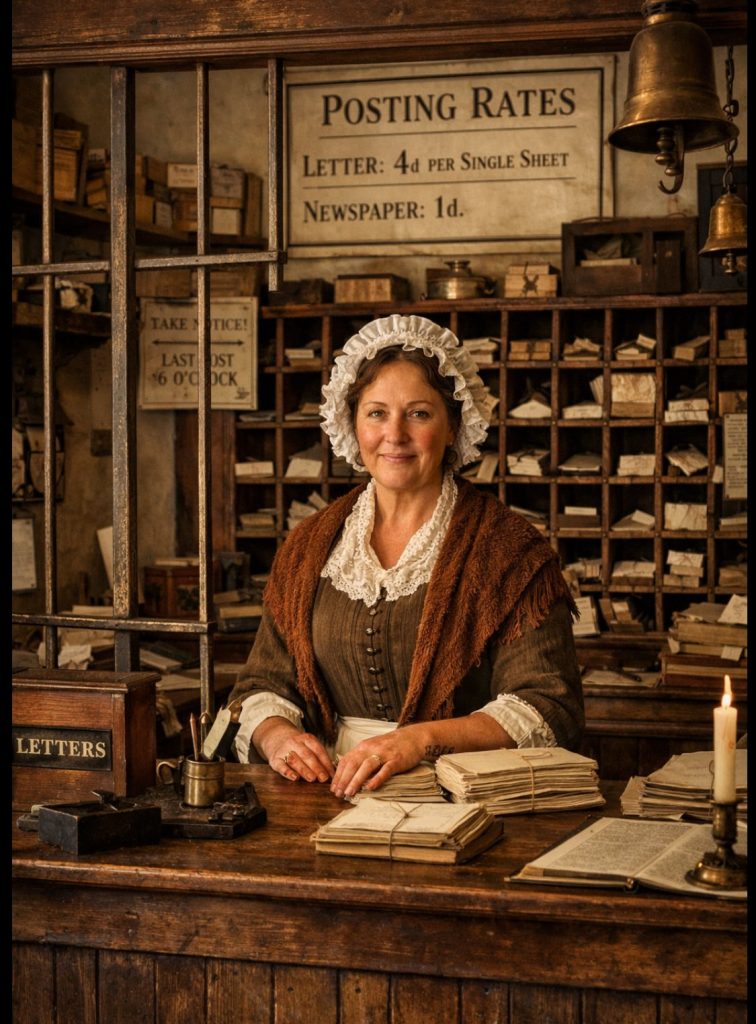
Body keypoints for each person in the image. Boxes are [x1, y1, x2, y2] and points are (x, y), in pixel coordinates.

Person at [228, 314, 584, 800]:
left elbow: (548, 706)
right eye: (376, 413)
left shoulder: (508, 548)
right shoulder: (310, 545)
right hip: (324, 796)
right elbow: (260, 686)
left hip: (463, 799)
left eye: (418, 413)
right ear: (350, 422)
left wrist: (418, 740)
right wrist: (278, 737)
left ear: (454, 424)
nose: (394, 434)